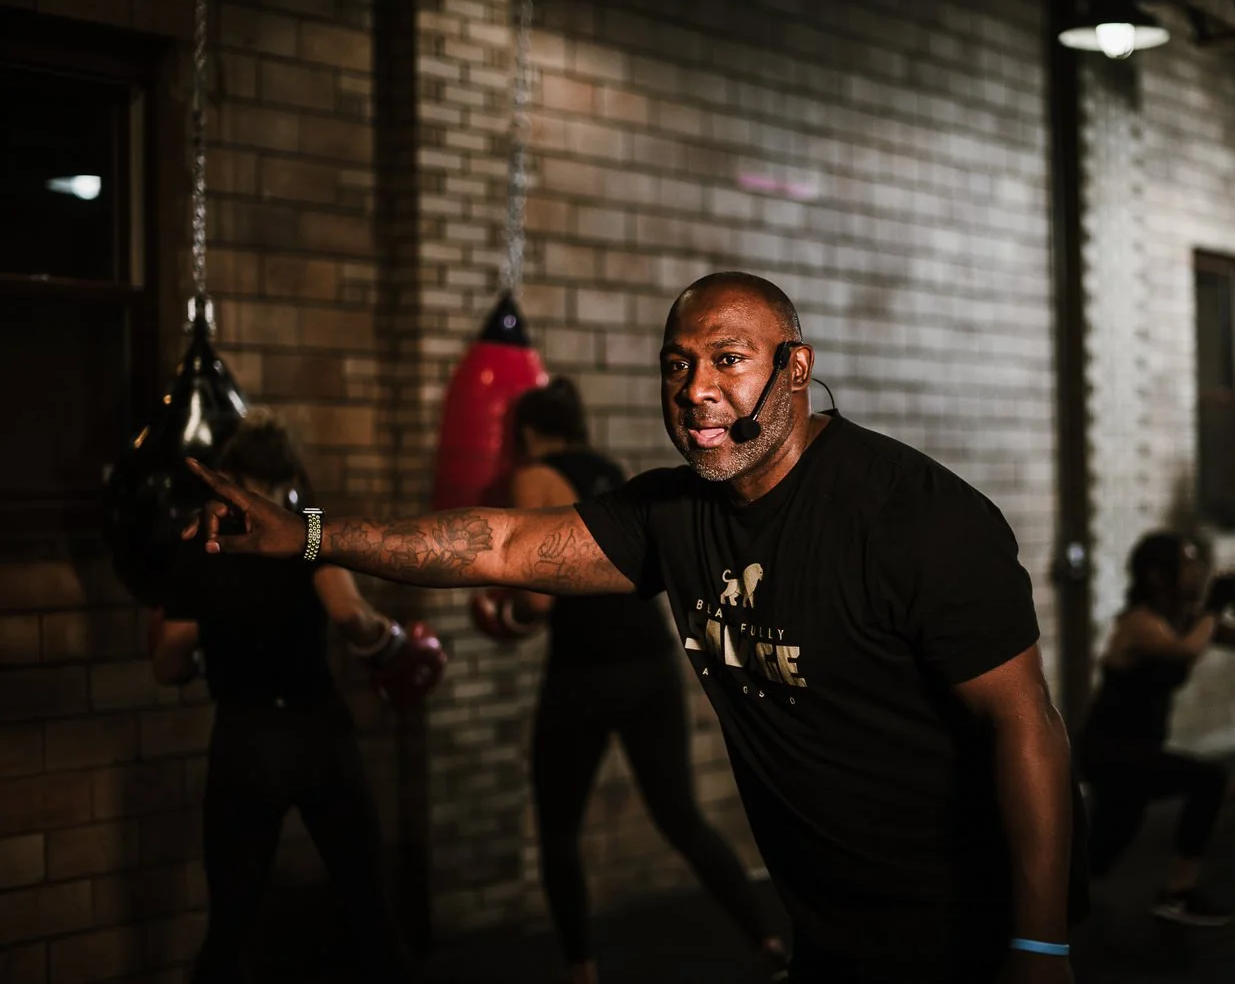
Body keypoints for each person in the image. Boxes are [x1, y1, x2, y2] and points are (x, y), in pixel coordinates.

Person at [183, 271, 1090, 984]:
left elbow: (1027, 727)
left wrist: (1040, 947)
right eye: (677, 363)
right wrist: (306, 533)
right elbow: (496, 543)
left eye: (728, 360)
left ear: (796, 368)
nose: (697, 388)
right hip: (831, 927)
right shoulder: (672, 516)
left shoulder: (916, 519)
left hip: (969, 925)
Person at [474, 378, 787, 983]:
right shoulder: (606, 469)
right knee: (680, 816)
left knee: (559, 828)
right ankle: (769, 942)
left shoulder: (533, 476)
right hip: (648, 666)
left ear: (530, 433)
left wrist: (502, 618)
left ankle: (581, 970)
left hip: (584, 674)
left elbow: (535, 604)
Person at [151, 409, 426, 984]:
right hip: (316, 731)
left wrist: (208, 643)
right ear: (289, 476)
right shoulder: (306, 528)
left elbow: (169, 659)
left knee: (230, 927)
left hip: (244, 739)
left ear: (228, 474)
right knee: (371, 913)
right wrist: (393, 643)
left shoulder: (200, 541)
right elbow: (350, 614)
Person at [1077, 532, 1235, 928]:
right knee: (1209, 780)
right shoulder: (1139, 623)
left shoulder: (1187, 621)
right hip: (1109, 751)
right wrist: (1215, 608)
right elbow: (1185, 650)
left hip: (1137, 752)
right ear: (1156, 575)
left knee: (1097, 857)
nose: (1197, 570)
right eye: (1187, 562)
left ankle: (1022, 898)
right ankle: (1177, 894)